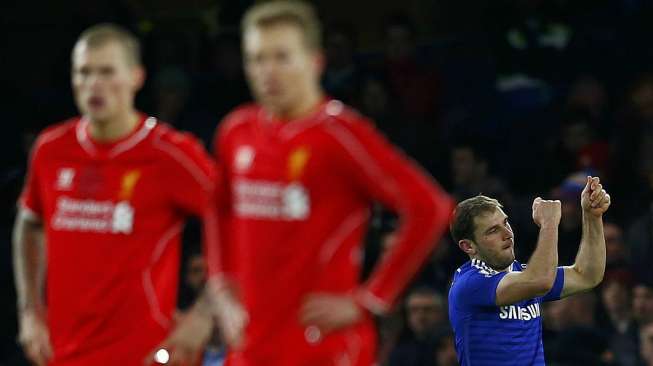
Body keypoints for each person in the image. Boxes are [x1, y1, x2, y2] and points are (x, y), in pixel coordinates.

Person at [157, 1, 454, 365]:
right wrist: (221, 283)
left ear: (315, 60)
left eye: (282, 57)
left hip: (323, 346)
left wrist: (372, 298)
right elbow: (218, 206)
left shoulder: (340, 134)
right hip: (252, 341)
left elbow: (429, 207)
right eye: (257, 59)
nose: (268, 72)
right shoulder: (237, 130)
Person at [13, 23, 217, 366]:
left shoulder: (171, 153)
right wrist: (30, 311)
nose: (94, 84)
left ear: (136, 77)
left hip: (146, 354)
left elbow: (245, 228)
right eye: (84, 72)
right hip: (62, 353)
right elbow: (30, 224)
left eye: (107, 72)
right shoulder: (51, 149)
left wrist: (205, 314)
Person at [448, 176, 611, 365]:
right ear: (468, 246)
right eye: (493, 230)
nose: (508, 234)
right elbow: (540, 281)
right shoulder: (469, 284)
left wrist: (592, 216)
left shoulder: (522, 274)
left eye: (505, 222)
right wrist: (549, 224)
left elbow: (587, 276)